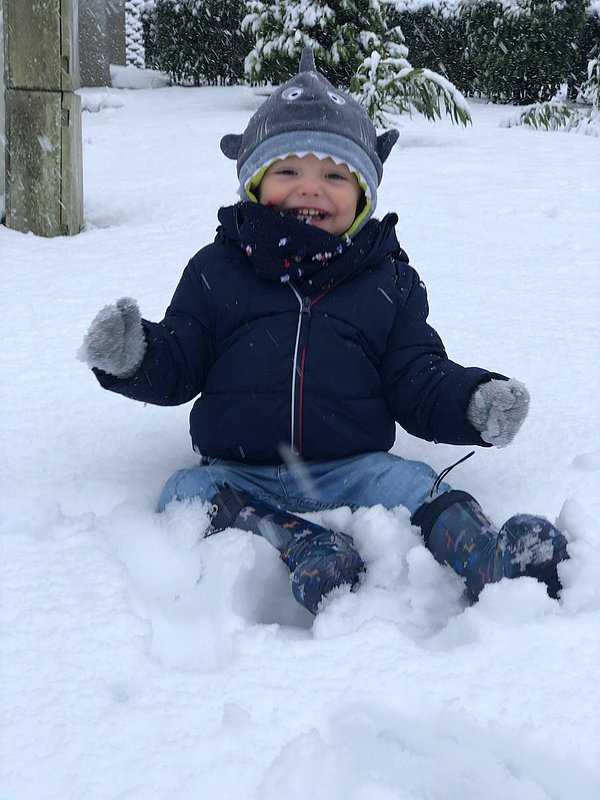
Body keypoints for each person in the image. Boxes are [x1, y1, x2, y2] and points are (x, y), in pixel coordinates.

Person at [79, 49, 568, 615]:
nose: (310, 189)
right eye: (288, 171)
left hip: (355, 469)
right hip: (241, 471)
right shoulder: (217, 271)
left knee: (416, 482)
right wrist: (135, 355)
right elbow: (181, 357)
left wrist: (473, 404)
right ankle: (304, 544)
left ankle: (486, 556)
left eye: (334, 175)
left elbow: (418, 376)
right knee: (185, 496)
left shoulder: (387, 281)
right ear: (254, 184)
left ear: (363, 197)